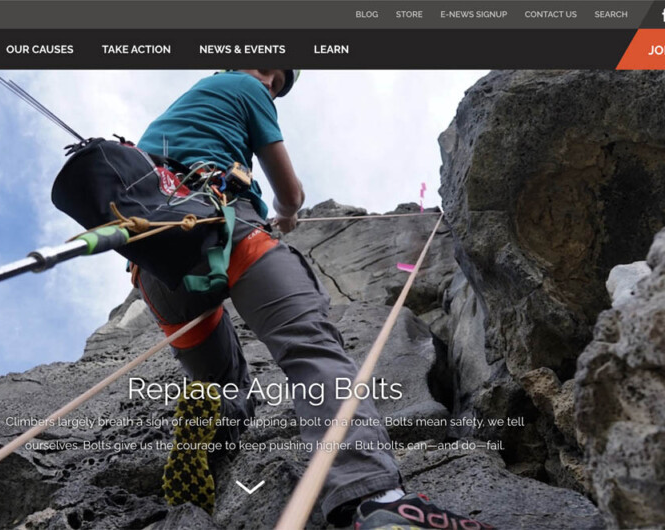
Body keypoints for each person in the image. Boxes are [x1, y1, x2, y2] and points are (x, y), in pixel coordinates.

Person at [133, 69, 491, 529]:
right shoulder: (244, 87)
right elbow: (290, 190)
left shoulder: (181, 110)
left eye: (279, 82)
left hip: (155, 266)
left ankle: (217, 423)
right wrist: (287, 212)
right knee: (310, 346)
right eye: (269, 69)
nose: (270, 83)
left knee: (219, 382)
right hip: (228, 229)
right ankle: (375, 498)